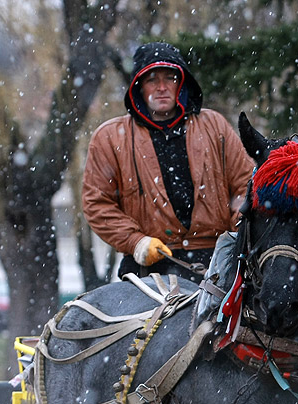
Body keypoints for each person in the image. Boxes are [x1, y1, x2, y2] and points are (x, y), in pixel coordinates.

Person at [82, 42, 255, 282]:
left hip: (217, 262)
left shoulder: (215, 126)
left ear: (181, 84)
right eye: (152, 79)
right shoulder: (109, 138)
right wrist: (136, 241)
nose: (162, 87)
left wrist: (239, 233)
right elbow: (97, 204)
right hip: (146, 269)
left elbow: (247, 186)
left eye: (170, 78)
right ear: (138, 87)